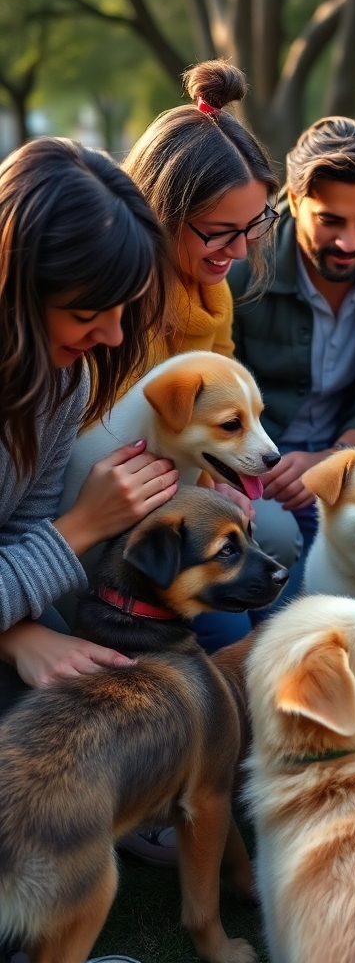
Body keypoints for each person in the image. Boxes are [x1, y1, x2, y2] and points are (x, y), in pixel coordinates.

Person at [0, 138, 173, 715]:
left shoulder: (63, 380)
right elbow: (48, 537)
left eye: (123, 310)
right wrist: (82, 525)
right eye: (85, 314)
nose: (114, 338)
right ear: (16, 289)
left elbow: (21, 531)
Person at [121, 59, 281, 654]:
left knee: (278, 536)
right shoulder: (115, 302)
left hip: (186, 493)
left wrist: (221, 480)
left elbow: (220, 413)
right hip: (127, 508)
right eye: (219, 231)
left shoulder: (212, 291)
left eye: (253, 225)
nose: (239, 250)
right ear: (161, 213)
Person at [228, 117, 355, 575]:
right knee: (273, 550)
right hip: (254, 463)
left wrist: (332, 460)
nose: (349, 241)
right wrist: (257, 466)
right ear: (294, 201)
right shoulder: (242, 269)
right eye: (330, 220)